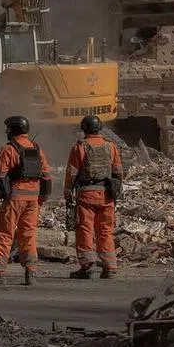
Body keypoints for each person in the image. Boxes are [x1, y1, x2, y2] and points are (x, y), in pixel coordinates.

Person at [0, 115, 52, 285]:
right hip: (33, 200)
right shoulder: (37, 149)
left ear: (13, 130)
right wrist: (42, 199)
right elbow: (47, 176)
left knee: (3, 233)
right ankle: (31, 273)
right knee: (28, 235)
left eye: (8, 129)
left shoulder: (9, 149)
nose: (6, 132)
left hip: (15, 199)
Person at [63, 115, 123, 280]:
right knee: (105, 231)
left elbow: (71, 174)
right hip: (106, 195)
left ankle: (88, 267)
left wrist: (68, 195)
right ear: (100, 128)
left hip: (87, 195)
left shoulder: (79, 147)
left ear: (84, 129)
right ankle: (110, 267)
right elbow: (118, 172)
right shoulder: (111, 147)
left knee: (85, 230)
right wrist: (115, 193)